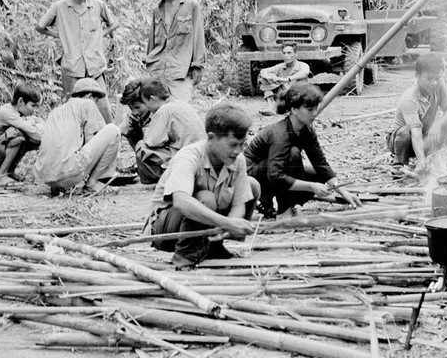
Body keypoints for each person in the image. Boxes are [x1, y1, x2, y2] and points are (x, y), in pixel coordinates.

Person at [145, 104, 260, 269]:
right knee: (206, 198)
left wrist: (231, 224)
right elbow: (181, 202)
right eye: (233, 145)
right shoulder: (188, 157)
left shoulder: (238, 160)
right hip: (166, 232)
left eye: (242, 145)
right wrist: (226, 223)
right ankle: (185, 257)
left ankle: (214, 247)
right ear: (211, 138)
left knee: (252, 185)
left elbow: (239, 204)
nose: (238, 151)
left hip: (206, 228)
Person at [244, 83, 360, 219]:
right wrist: (311, 187)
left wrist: (342, 191)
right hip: (252, 180)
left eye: (315, 108)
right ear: (294, 109)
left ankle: (292, 205)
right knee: (293, 155)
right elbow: (276, 176)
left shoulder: (306, 129)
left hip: (272, 172)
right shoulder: (280, 133)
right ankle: (282, 210)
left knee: (318, 174)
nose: (315, 113)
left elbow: (320, 163)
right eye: (310, 109)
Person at [36, 0, 119, 123]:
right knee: (73, 109)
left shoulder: (98, 5)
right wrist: (57, 35)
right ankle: (75, 143)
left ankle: (110, 139)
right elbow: (40, 26)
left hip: (95, 65)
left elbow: (114, 23)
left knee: (103, 108)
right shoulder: (59, 7)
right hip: (72, 65)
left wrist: (101, 34)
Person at [35, 78, 121, 196]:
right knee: (113, 130)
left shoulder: (56, 110)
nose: (95, 104)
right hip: (69, 175)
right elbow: (91, 141)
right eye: (96, 100)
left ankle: (58, 187)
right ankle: (93, 184)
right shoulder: (88, 104)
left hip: (47, 177)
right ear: (90, 96)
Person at [386, 53, 447, 175]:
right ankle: (399, 163)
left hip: (424, 138)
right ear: (417, 76)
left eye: (437, 78)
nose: (434, 83)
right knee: (405, 133)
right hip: (404, 143)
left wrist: (438, 125)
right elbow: (415, 131)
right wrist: (421, 160)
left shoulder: (438, 85)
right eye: (429, 79)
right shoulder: (410, 98)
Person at [123, 77, 206, 184]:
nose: (134, 113)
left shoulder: (163, 110)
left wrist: (134, 133)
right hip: (199, 157)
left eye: (137, 107)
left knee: (141, 147)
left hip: (189, 160)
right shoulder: (179, 104)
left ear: (152, 99)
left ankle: (159, 179)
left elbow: (151, 142)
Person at [145, 0, 205, 102]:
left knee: (181, 110)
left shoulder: (191, 5)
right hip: (158, 70)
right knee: (160, 112)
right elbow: (152, 40)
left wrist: (198, 65)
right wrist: (149, 63)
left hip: (181, 71)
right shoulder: (157, 9)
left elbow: (198, 36)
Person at [0, 83, 43, 186]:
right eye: (33, 106)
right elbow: (37, 136)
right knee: (18, 133)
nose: (35, 110)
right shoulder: (7, 113)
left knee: (25, 135)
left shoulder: (12, 110)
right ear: (21, 101)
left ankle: (9, 173)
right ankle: (1, 177)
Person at [258, 41, 311, 115]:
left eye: (289, 53)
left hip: (298, 97)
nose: (286, 56)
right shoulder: (281, 66)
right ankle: (272, 107)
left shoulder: (302, 65)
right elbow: (263, 71)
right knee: (264, 79)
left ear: (296, 54)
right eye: (284, 53)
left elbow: (305, 72)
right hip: (283, 96)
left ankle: (292, 109)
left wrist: (287, 79)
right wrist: (269, 78)